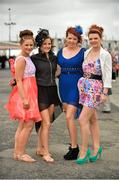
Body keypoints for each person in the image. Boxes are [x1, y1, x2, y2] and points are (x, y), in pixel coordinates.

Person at [76, 24, 112, 165]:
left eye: (95, 38)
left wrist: (105, 93)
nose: (93, 41)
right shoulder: (87, 52)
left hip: (96, 89)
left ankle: (84, 151)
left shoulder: (105, 54)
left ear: (101, 38)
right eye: (90, 38)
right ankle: (97, 148)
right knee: (92, 120)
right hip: (84, 87)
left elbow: (108, 75)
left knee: (82, 119)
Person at [5, 30, 42, 163]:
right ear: (21, 45)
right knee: (29, 125)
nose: (29, 47)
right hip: (26, 92)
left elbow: (18, 78)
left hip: (31, 90)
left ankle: (17, 152)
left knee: (23, 125)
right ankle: (21, 153)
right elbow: (19, 80)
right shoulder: (21, 59)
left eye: (31, 45)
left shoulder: (27, 58)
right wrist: (24, 98)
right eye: (26, 45)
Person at [31, 28, 61, 162]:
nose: (47, 46)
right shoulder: (34, 59)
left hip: (52, 91)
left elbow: (57, 71)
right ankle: (46, 153)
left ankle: (39, 148)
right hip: (41, 92)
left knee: (47, 123)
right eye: (44, 44)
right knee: (46, 123)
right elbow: (26, 72)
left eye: (49, 44)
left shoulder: (55, 58)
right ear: (40, 45)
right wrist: (15, 80)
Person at [57, 25, 86, 160]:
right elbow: (56, 70)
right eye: (69, 38)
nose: (72, 40)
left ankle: (75, 148)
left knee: (69, 117)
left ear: (78, 39)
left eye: (75, 38)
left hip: (77, 86)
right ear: (66, 38)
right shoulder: (60, 51)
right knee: (69, 119)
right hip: (63, 85)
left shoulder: (84, 52)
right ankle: (73, 144)